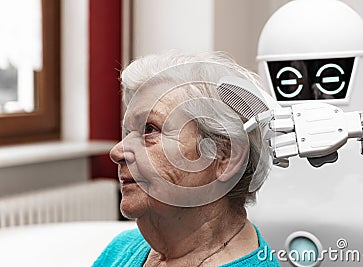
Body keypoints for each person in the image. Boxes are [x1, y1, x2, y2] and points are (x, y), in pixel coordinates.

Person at [93, 51, 281, 267]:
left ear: (225, 156)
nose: (117, 152)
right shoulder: (123, 249)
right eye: (128, 133)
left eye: (150, 129)